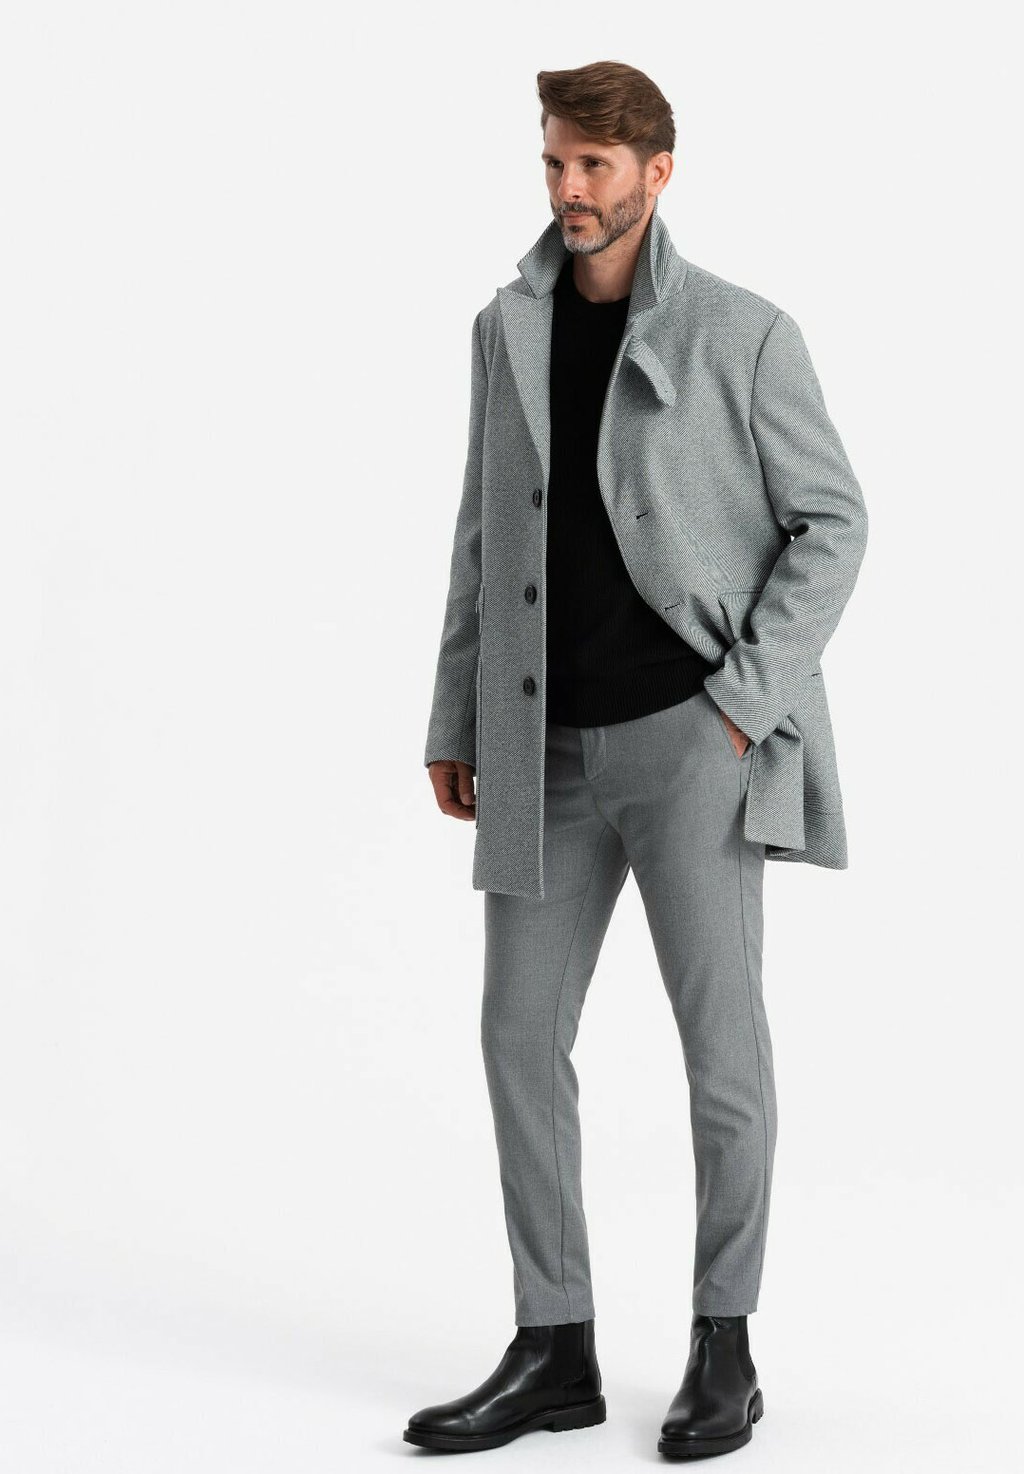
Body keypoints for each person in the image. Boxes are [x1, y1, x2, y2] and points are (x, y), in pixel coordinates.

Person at [406, 59, 868, 1460]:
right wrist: (454, 715)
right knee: (515, 1033)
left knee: (720, 1049)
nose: (570, 189)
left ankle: (726, 1344)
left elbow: (835, 522)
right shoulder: (506, 326)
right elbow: (482, 529)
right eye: (555, 162)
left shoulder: (745, 331)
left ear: (656, 173)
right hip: (538, 740)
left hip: (692, 743)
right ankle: (555, 1345)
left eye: (595, 167)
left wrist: (743, 702)